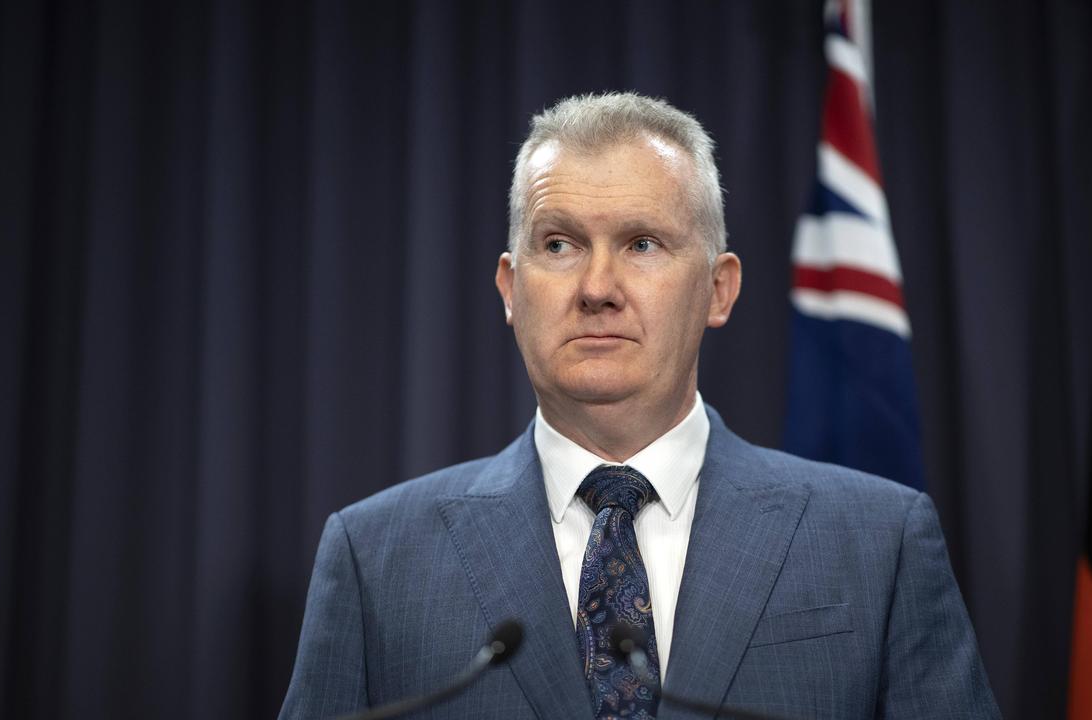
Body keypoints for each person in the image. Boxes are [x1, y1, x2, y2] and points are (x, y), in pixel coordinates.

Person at [280, 92, 998, 719]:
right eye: (558, 244)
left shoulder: (878, 544)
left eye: (642, 243)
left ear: (719, 290)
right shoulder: (375, 561)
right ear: (509, 288)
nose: (597, 287)